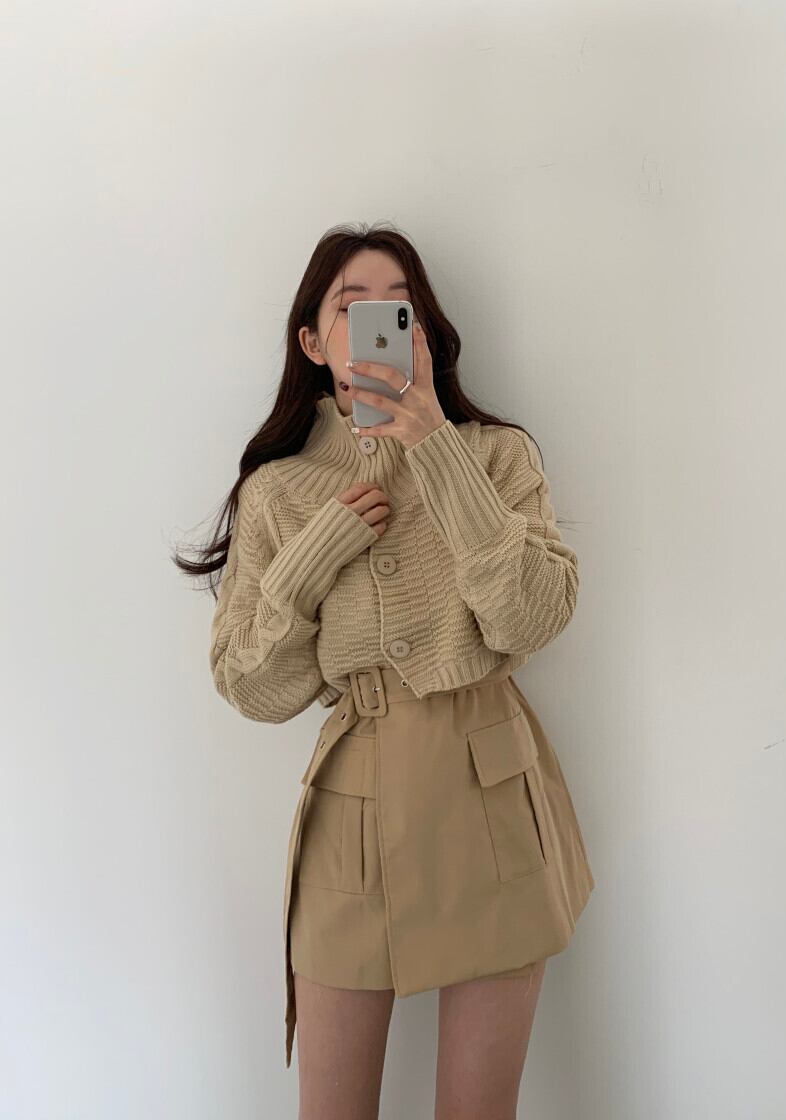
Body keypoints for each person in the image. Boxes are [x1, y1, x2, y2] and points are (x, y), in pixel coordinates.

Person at [176, 221, 595, 1119]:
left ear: (423, 333)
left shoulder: (495, 455)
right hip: (353, 809)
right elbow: (254, 688)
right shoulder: (277, 491)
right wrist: (313, 553)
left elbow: (534, 616)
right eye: (349, 306)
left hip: (491, 792)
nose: (375, 322)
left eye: (397, 308)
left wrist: (438, 447)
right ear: (312, 342)